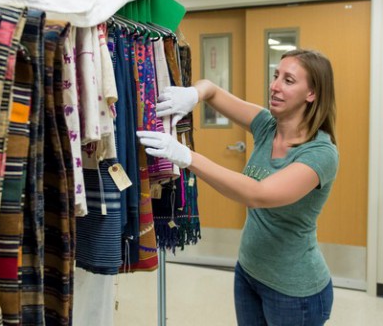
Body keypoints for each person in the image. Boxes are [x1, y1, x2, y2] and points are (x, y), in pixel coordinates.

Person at [137, 49, 339, 325]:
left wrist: (187, 157)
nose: (275, 85)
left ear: (312, 94)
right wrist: (194, 94)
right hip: (248, 272)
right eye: (276, 75)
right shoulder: (269, 125)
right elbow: (212, 90)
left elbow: (259, 194)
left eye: (289, 80)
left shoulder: (321, 153)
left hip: (295, 291)